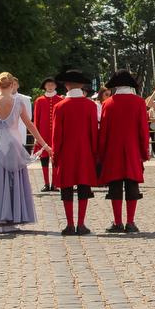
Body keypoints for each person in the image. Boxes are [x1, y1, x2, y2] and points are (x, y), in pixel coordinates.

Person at [0, 72, 48, 233]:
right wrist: (45, 145)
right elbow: (30, 125)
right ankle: (11, 218)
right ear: (12, 85)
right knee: (13, 181)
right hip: (13, 145)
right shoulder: (18, 103)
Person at [97, 70, 151, 232]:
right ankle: (131, 222)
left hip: (113, 151)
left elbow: (103, 131)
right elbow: (143, 130)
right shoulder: (139, 102)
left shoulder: (107, 103)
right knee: (132, 186)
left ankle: (118, 222)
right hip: (133, 150)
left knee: (115, 187)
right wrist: (144, 152)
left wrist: (101, 153)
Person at [51, 68, 101, 233]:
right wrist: (95, 154)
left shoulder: (60, 106)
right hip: (85, 152)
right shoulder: (90, 105)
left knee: (66, 188)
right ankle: (81, 224)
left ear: (66, 85)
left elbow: (56, 135)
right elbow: (94, 132)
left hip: (66, 153)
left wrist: (55, 155)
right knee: (83, 188)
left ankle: (70, 224)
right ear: (81, 85)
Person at [33, 76, 62, 191]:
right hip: (43, 135)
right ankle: (46, 183)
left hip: (56, 134)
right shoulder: (39, 100)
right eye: (48, 84)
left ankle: (54, 183)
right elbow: (36, 119)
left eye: (52, 84)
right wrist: (36, 135)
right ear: (44, 86)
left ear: (55, 86)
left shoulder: (60, 100)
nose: (50, 86)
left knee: (55, 159)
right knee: (44, 158)